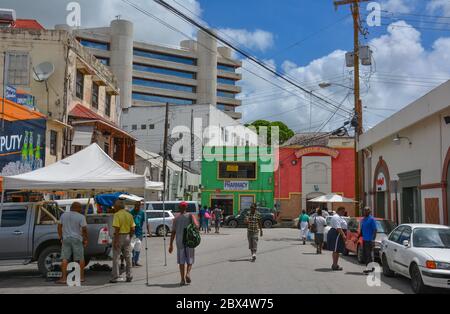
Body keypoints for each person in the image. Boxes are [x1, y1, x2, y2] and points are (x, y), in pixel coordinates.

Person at [56, 202, 88, 284]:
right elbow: (84, 229)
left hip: (66, 239)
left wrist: (60, 236)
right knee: (80, 258)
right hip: (77, 239)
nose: (81, 210)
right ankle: (81, 278)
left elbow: (59, 227)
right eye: (80, 208)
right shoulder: (81, 217)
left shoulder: (64, 215)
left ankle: (63, 278)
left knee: (65, 258)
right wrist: (85, 239)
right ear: (77, 208)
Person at [169, 201, 199, 286]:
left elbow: (173, 232)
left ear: (179, 208)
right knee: (190, 259)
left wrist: (171, 245)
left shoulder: (176, 218)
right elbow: (197, 226)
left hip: (180, 242)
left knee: (181, 262)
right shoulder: (190, 216)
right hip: (189, 241)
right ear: (186, 208)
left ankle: (182, 279)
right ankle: (188, 274)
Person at [110, 200, 135, 283]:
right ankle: (129, 276)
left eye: (115, 206)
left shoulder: (117, 215)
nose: (114, 208)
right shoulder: (129, 215)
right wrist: (130, 236)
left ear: (117, 207)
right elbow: (133, 228)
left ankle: (115, 277)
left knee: (116, 257)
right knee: (128, 257)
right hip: (127, 236)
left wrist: (116, 240)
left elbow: (117, 228)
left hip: (119, 236)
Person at [327, 207, 348, 271]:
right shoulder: (336, 217)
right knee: (336, 250)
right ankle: (334, 265)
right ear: (338, 210)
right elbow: (338, 227)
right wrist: (343, 235)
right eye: (342, 211)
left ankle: (335, 264)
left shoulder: (339, 217)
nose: (344, 212)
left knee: (337, 250)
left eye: (344, 211)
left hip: (338, 234)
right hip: (337, 234)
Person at [358, 207, 378, 271]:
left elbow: (375, 230)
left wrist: (373, 240)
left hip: (369, 240)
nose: (365, 212)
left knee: (369, 255)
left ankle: (371, 268)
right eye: (364, 211)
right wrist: (357, 237)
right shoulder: (363, 219)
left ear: (369, 212)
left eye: (367, 211)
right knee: (365, 255)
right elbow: (362, 230)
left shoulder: (372, 219)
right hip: (364, 239)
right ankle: (368, 268)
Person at [130, 201, 146, 267]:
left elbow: (145, 221)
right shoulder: (131, 212)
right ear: (134, 205)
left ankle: (136, 261)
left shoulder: (142, 213)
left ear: (140, 206)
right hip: (132, 232)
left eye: (139, 205)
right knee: (132, 248)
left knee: (138, 248)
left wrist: (149, 231)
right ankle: (132, 261)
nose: (137, 207)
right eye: (136, 205)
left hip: (139, 232)